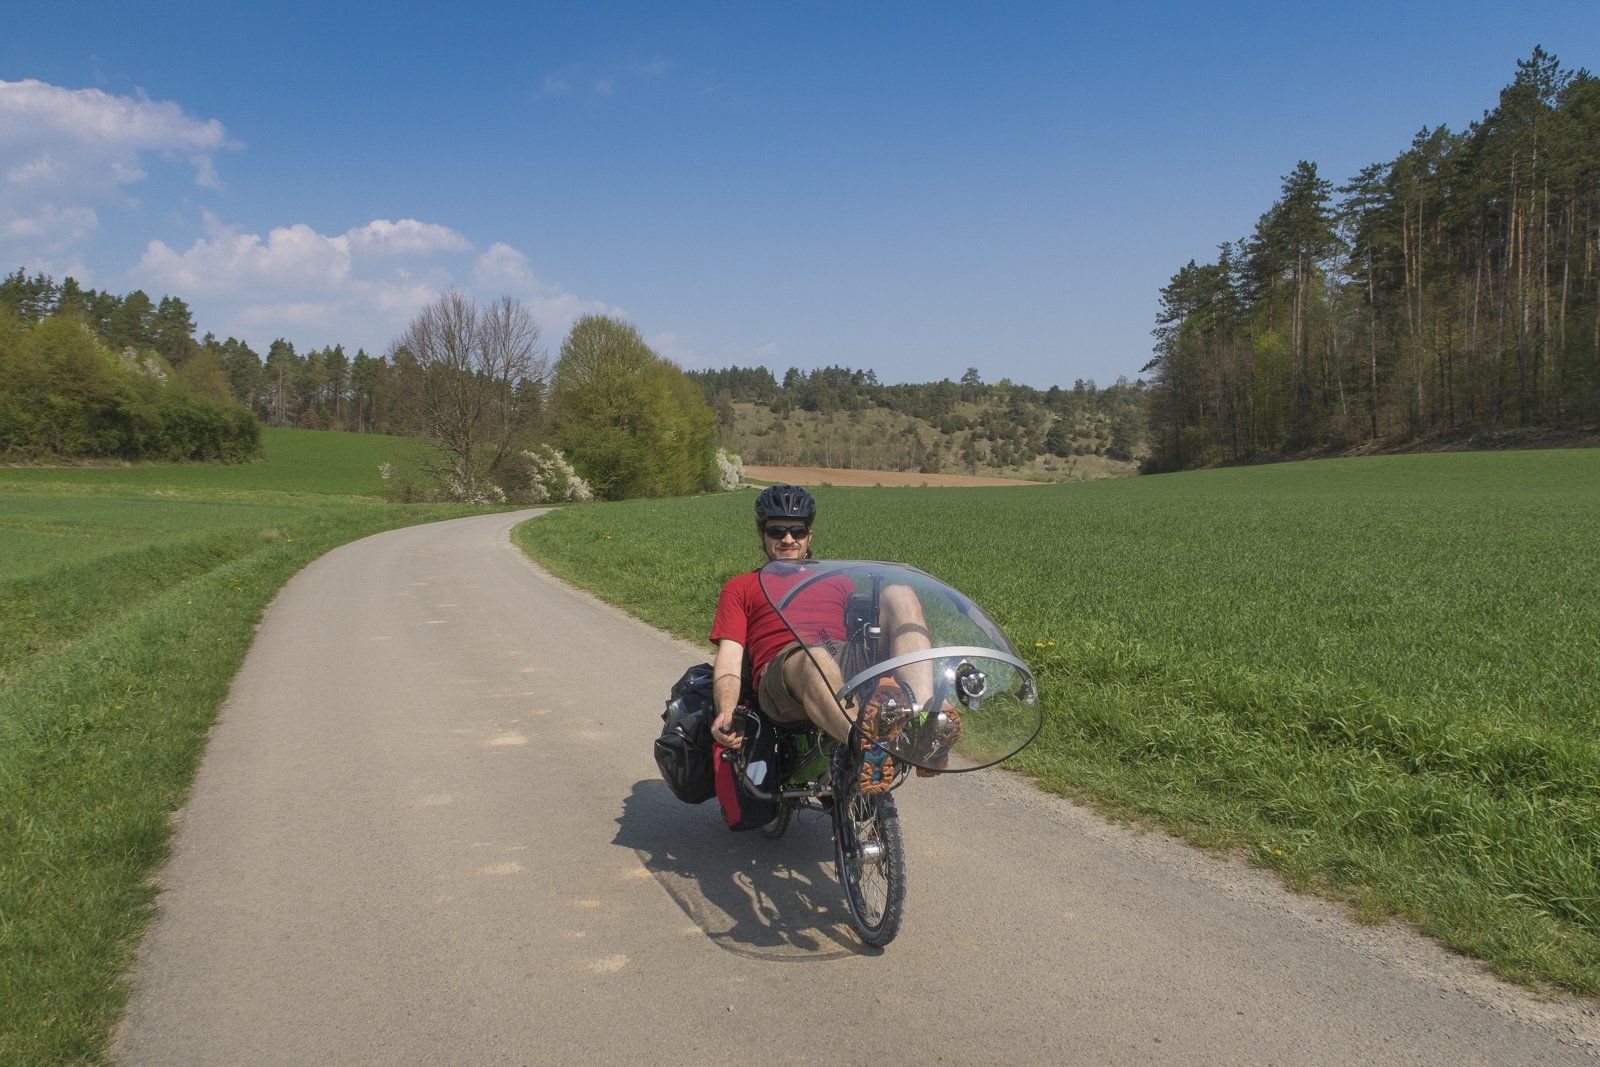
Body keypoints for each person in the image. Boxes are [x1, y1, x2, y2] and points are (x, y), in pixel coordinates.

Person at [707, 484, 945, 792]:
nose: (788, 539)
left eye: (798, 530)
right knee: (814, 655)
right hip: (783, 674)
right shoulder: (740, 587)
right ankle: (866, 747)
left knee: (899, 594)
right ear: (761, 535)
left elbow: (858, 636)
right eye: (777, 530)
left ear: (809, 535)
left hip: (837, 657)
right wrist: (725, 709)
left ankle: (924, 720)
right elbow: (729, 658)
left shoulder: (837, 580)